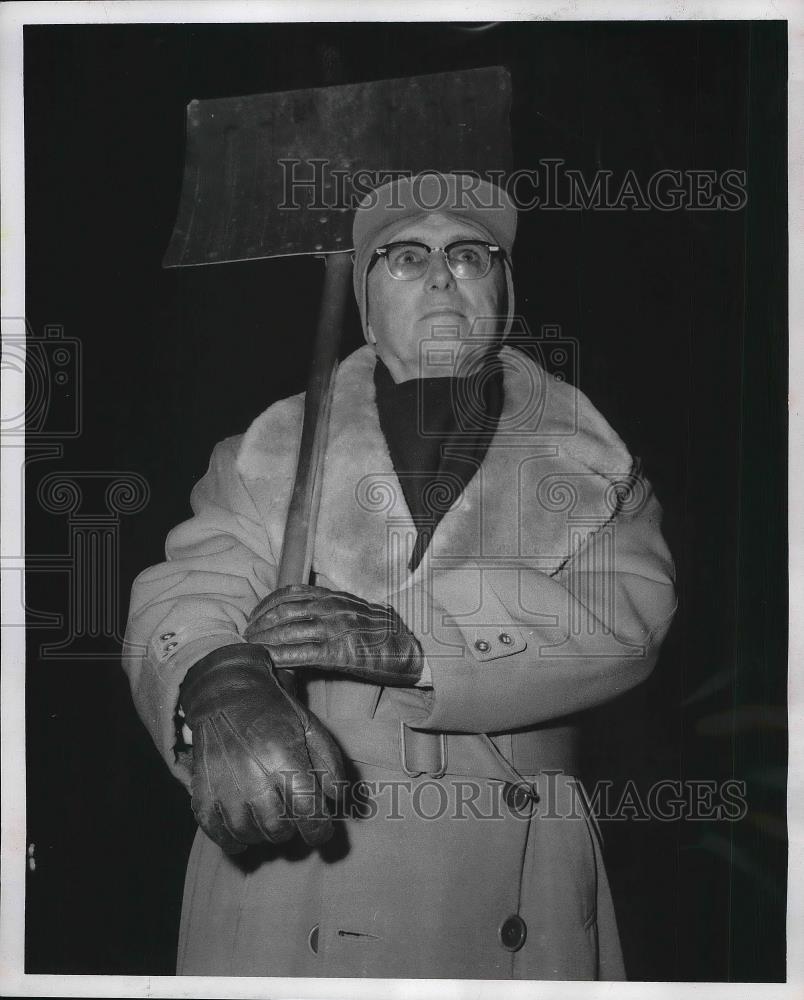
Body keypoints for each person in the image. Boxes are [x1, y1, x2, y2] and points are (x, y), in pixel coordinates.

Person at [123, 172, 677, 980]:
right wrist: (219, 687)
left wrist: (420, 641)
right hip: (296, 853)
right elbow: (187, 591)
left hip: (512, 862)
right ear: (365, 300)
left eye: (470, 255)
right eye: (406, 258)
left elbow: (627, 619)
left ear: (507, 288)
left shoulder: (600, 466)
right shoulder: (262, 454)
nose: (443, 275)